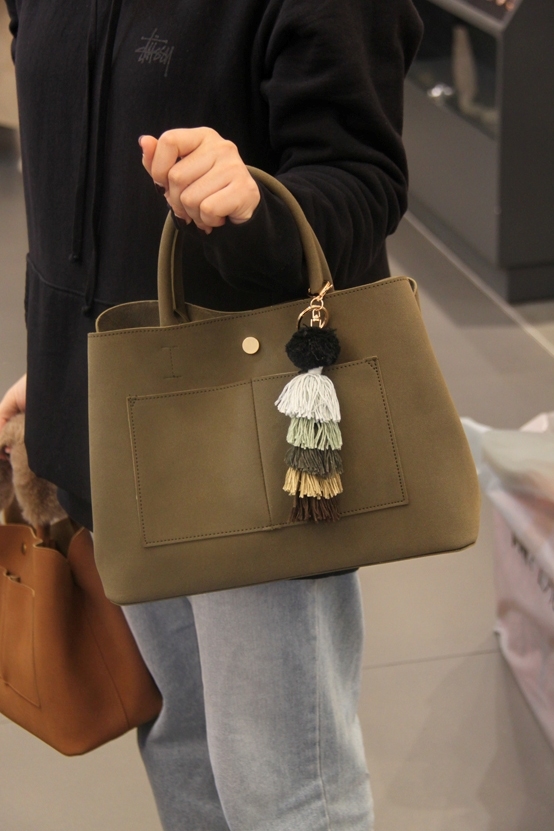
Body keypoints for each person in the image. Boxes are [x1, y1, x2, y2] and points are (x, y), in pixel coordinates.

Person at [0, 1, 423, 828]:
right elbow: (70, 182)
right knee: (183, 751)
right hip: (115, 428)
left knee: (285, 792)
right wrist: (58, 364)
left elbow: (363, 180)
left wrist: (254, 205)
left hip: (253, 449)